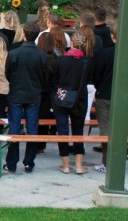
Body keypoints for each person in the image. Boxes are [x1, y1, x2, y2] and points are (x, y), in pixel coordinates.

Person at [5, 21, 47, 173]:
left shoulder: (14, 53)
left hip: (16, 93)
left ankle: (12, 163)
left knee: (14, 128)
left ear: (23, 34)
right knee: (32, 128)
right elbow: (44, 76)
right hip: (34, 94)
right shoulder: (42, 55)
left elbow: (8, 74)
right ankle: (29, 162)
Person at [53, 32, 90, 175]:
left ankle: (66, 165)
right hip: (80, 99)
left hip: (62, 98)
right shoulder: (87, 62)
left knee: (62, 130)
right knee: (78, 131)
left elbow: (55, 79)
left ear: (72, 43)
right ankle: (79, 165)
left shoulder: (61, 60)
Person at [92, 22, 116, 173]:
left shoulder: (105, 54)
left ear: (112, 36)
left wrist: (99, 88)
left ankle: (107, 163)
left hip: (105, 95)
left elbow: (97, 75)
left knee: (106, 130)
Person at [36, 33, 58, 152]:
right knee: (45, 118)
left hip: (37, 91)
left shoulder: (38, 57)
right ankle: (41, 144)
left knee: (35, 117)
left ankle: (35, 142)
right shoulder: (55, 59)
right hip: (50, 93)